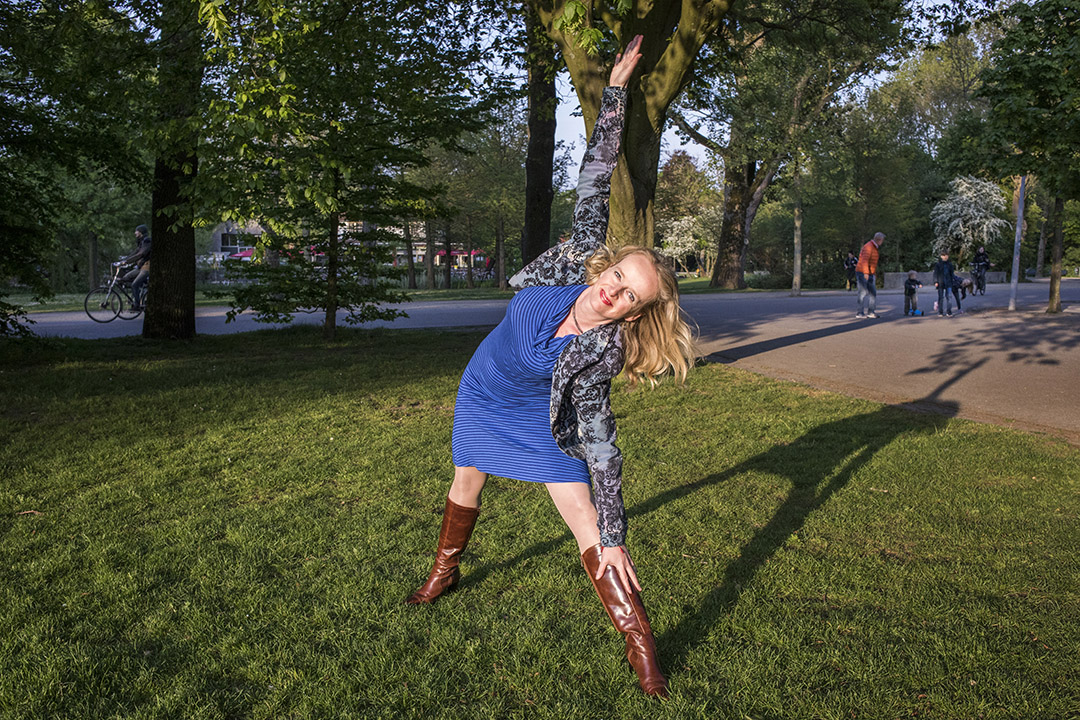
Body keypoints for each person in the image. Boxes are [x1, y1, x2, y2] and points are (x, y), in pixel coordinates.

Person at [405, 37, 694, 699]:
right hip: (482, 390)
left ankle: (640, 644)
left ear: (634, 313)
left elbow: (600, 445)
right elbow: (597, 168)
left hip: (539, 416)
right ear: (607, 265)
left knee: (587, 520)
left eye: (630, 295)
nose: (613, 292)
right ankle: (443, 573)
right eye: (618, 276)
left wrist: (617, 533)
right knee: (466, 477)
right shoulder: (579, 260)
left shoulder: (603, 352)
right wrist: (616, 91)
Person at [122, 224, 151, 310]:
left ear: (141, 232)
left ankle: (137, 305)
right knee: (126, 277)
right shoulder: (141, 242)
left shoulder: (147, 241)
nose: (135, 233)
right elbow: (135, 252)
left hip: (147, 266)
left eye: (136, 231)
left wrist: (127, 261)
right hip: (141, 266)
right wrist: (123, 260)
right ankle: (138, 294)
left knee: (135, 284)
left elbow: (141, 254)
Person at [855, 232, 884, 318]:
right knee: (863, 292)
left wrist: (873, 273)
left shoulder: (874, 247)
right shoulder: (869, 247)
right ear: (879, 240)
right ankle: (859, 313)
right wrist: (866, 273)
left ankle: (871, 312)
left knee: (873, 293)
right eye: (882, 240)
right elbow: (864, 261)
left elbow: (872, 262)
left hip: (870, 273)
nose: (882, 242)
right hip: (862, 272)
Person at [933, 251, 955, 317]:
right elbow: (935, 273)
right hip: (941, 283)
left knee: (949, 297)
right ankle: (940, 312)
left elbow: (952, 274)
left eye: (946, 255)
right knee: (941, 298)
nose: (945, 257)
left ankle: (949, 312)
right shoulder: (938, 264)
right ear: (941, 256)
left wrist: (952, 281)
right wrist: (935, 281)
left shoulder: (950, 264)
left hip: (948, 282)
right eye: (944, 255)